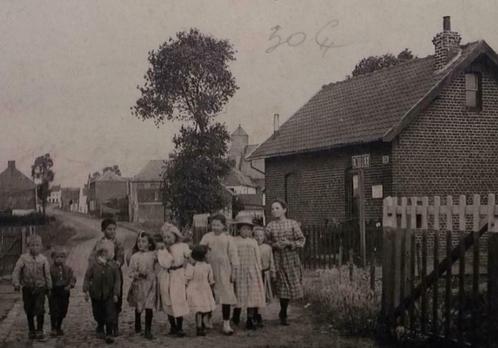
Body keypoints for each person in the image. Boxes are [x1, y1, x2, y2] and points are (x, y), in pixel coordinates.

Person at [265, 199, 306, 326]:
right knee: (281, 284)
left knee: (290, 283)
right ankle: (283, 313)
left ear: (284, 210)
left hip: (291, 257)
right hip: (277, 258)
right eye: (272, 209)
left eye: (277, 208)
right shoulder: (270, 225)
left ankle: (283, 310)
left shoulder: (292, 224)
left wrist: (290, 243)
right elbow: (264, 241)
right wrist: (274, 244)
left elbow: (301, 240)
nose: (274, 211)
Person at [200, 213, 240, 335]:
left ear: (224, 226)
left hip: (224, 270)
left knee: (225, 296)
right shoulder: (207, 237)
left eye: (218, 225)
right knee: (208, 295)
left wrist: (233, 272)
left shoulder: (228, 239)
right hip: (210, 269)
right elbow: (200, 251)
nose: (215, 227)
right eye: (213, 225)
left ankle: (226, 323)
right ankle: (207, 318)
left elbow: (234, 256)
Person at [88, 218, 125, 337]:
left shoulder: (118, 243)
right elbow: (93, 256)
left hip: (113, 275)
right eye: (109, 229)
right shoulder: (99, 243)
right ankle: (100, 324)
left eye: (114, 229)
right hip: (100, 276)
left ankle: (114, 324)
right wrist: (94, 266)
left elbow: (120, 257)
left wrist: (116, 264)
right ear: (103, 230)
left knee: (115, 300)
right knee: (99, 301)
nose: (112, 231)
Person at [12, 234, 52, 341]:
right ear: (28, 246)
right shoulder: (23, 258)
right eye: (32, 245)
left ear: (41, 246)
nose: (34, 247)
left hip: (40, 288)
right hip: (27, 288)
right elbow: (17, 270)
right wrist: (16, 283)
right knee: (28, 308)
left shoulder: (43, 259)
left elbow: (47, 274)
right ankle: (31, 330)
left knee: (40, 308)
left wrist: (49, 287)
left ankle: (39, 330)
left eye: (37, 245)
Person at [231, 215, 266, 330]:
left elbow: (257, 256)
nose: (246, 231)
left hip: (252, 270)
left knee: (252, 294)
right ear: (239, 229)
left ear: (251, 231)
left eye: (248, 229)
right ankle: (236, 316)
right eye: (243, 229)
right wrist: (233, 270)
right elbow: (233, 256)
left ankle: (250, 318)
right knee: (240, 294)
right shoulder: (234, 241)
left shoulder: (253, 242)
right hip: (240, 270)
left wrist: (259, 269)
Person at [83, 247, 121, 344]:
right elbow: (87, 277)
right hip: (96, 294)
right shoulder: (93, 265)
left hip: (109, 294)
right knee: (98, 312)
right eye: (109, 252)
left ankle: (109, 333)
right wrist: (86, 290)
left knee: (110, 313)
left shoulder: (114, 266)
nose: (112, 254)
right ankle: (100, 326)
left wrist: (116, 293)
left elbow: (117, 280)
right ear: (102, 254)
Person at [162, 222, 190, 337]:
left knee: (178, 299)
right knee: (167, 300)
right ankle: (172, 326)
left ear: (175, 236)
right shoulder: (163, 249)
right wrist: (166, 252)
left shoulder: (182, 246)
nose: (166, 239)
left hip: (178, 274)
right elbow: (165, 263)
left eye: (169, 236)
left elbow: (188, 255)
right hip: (167, 274)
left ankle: (179, 327)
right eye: (164, 237)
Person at [127, 232, 156, 340]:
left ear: (149, 244)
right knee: (139, 305)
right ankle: (137, 324)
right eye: (138, 241)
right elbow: (130, 272)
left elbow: (162, 261)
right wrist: (137, 274)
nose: (140, 243)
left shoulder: (153, 255)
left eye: (143, 241)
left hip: (150, 284)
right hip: (139, 284)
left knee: (149, 306)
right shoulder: (135, 257)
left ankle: (148, 330)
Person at [185, 245, 216, 336]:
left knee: (204, 308)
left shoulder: (207, 266)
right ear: (202, 255)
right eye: (208, 254)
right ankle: (199, 326)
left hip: (203, 289)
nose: (209, 256)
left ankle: (202, 323)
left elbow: (211, 279)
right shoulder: (193, 266)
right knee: (199, 308)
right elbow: (187, 277)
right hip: (196, 290)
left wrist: (212, 288)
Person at [48, 246, 76, 337]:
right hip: (54, 291)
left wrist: (70, 285)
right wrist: (49, 288)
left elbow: (72, 278)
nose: (59, 259)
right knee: (54, 310)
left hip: (64, 290)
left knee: (63, 309)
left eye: (62, 257)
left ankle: (59, 326)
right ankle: (53, 328)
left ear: (65, 258)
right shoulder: (50, 269)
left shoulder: (68, 269)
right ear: (53, 258)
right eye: (57, 257)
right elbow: (48, 279)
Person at [253, 225, 276, 327]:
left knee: (263, 294)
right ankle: (255, 314)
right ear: (253, 237)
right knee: (254, 294)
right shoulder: (252, 246)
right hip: (254, 273)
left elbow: (271, 261)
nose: (259, 238)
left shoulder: (268, 248)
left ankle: (258, 314)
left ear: (264, 237)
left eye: (261, 236)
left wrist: (273, 272)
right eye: (256, 236)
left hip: (264, 273)